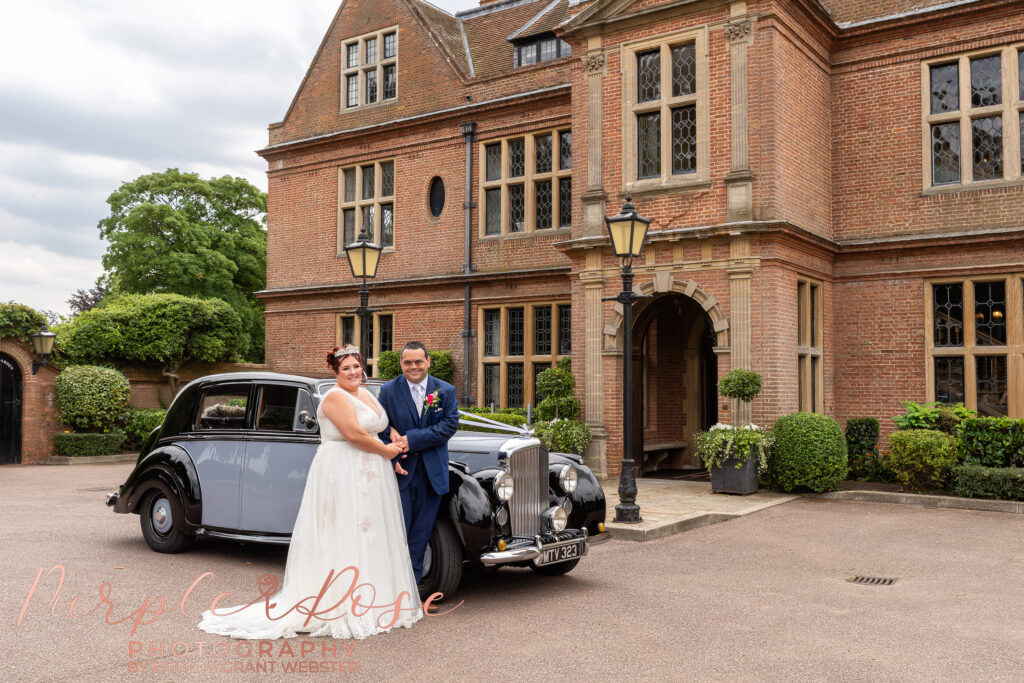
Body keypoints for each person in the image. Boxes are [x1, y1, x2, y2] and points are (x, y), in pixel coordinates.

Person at [196, 345, 423, 639]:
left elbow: (377, 422)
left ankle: (376, 599)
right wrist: (387, 452)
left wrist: (390, 433)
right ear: (336, 372)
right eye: (346, 369)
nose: (353, 372)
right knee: (345, 531)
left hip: (371, 473)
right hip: (344, 470)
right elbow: (353, 434)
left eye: (357, 366)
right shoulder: (334, 397)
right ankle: (342, 602)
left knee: (371, 532)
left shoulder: (364, 393)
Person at [377, 342, 459, 591]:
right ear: (401, 364)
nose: (413, 367)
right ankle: (391, 589)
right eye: (408, 362)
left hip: (432, 476)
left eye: (418, 362)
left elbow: (448, 426)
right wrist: (394, 457)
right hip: (400, 473)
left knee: (420, 536)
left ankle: (410, 593)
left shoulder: (444, 391)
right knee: (398, 534)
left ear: (428, 361)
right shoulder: (388, 391)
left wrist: (410, 440)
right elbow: (380, 428)